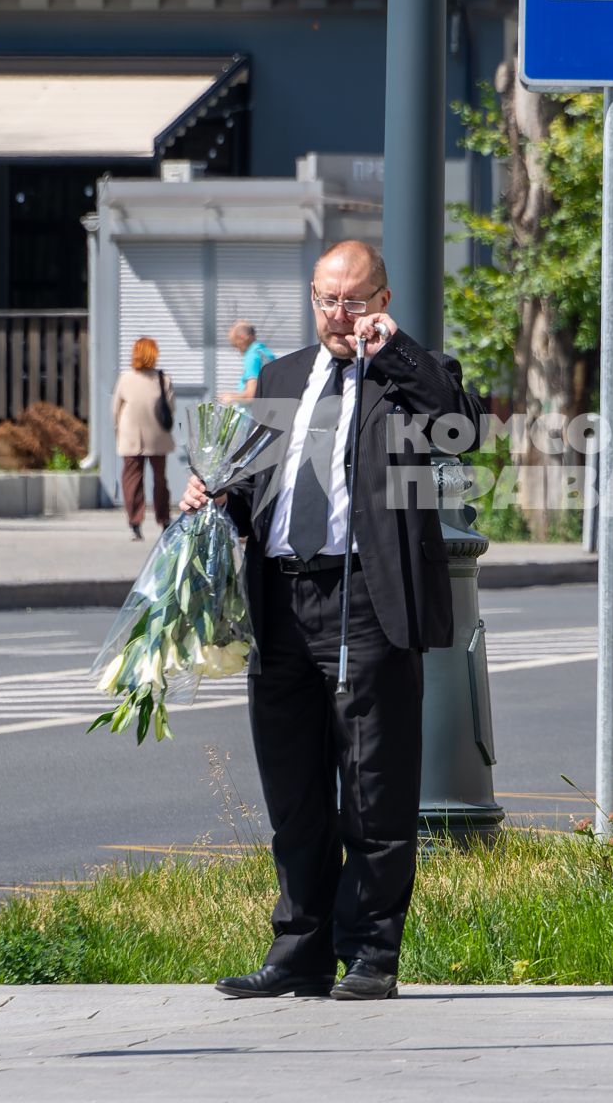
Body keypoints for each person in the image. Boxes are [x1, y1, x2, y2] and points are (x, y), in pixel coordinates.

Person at [181, 240, 485, 1002]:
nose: (338, 314)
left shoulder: (411, 377)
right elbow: (257, 488)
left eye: (352, 298)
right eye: (326, 298)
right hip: (281, 603)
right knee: (295, 790)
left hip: (366, 602)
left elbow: (462, 428)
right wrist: (212, 495)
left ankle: (373, 953)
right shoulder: (282, 377)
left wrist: (395, 351)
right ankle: (301, 948)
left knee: (375, 787)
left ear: (380, 297)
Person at [110, 337, 175, 541]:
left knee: (132, 480)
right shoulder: (162, 378)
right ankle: (164, 519)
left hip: (131, 437)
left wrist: (118, 432)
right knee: (159, 479)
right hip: (158, 437)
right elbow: (170, 407)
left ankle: (135, 521)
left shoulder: (125, 378)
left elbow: (115, 410)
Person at [221, 321, 277, 402]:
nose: (236, 349)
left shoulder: (252, 356)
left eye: (235, 344)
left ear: (243, 337)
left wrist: (231, 397)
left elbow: (251, 395)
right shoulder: (265, 353)